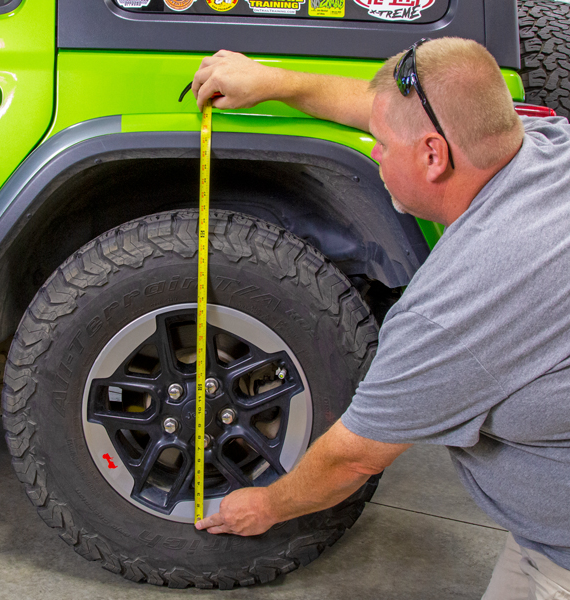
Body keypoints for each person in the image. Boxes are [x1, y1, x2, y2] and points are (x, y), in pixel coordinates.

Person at [190, 37, 570, 599]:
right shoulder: (543, 140)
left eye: (383, 144)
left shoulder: (451, 311)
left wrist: (267, 505)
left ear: (433, 156)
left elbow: (350, 458)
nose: (373, 151)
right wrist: (276, 83)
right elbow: (396, 111)